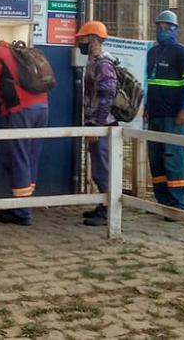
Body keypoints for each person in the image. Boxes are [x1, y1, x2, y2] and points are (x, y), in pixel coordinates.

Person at [0, 30, 49, 226]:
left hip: (21, 111)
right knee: (31, 156)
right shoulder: (14, 49)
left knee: (19, 157)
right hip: (42, 108)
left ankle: (22, 212)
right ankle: (25, 203)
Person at [145, 10, 184, 212]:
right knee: (156, 159)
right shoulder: (152, 53)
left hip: (173, 117)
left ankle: (179, 204)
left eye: (167, 28)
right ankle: (163, 201)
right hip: (155, 115)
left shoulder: (180, 52)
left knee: (174, 159)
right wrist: (147, 108)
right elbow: (150, 83)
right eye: (159, 27)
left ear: (175, 30)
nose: (162, 31)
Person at [75, 21, 118, 227]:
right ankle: (103, 205)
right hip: (96, 124)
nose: (80, 42)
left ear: (93, 39)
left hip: (102, 125)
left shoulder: (103, 64)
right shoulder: (94, 62)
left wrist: (98, 127)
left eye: (83, 39)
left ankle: (108, 211)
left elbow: (107, 97)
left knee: (103, 169)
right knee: (99, 169)